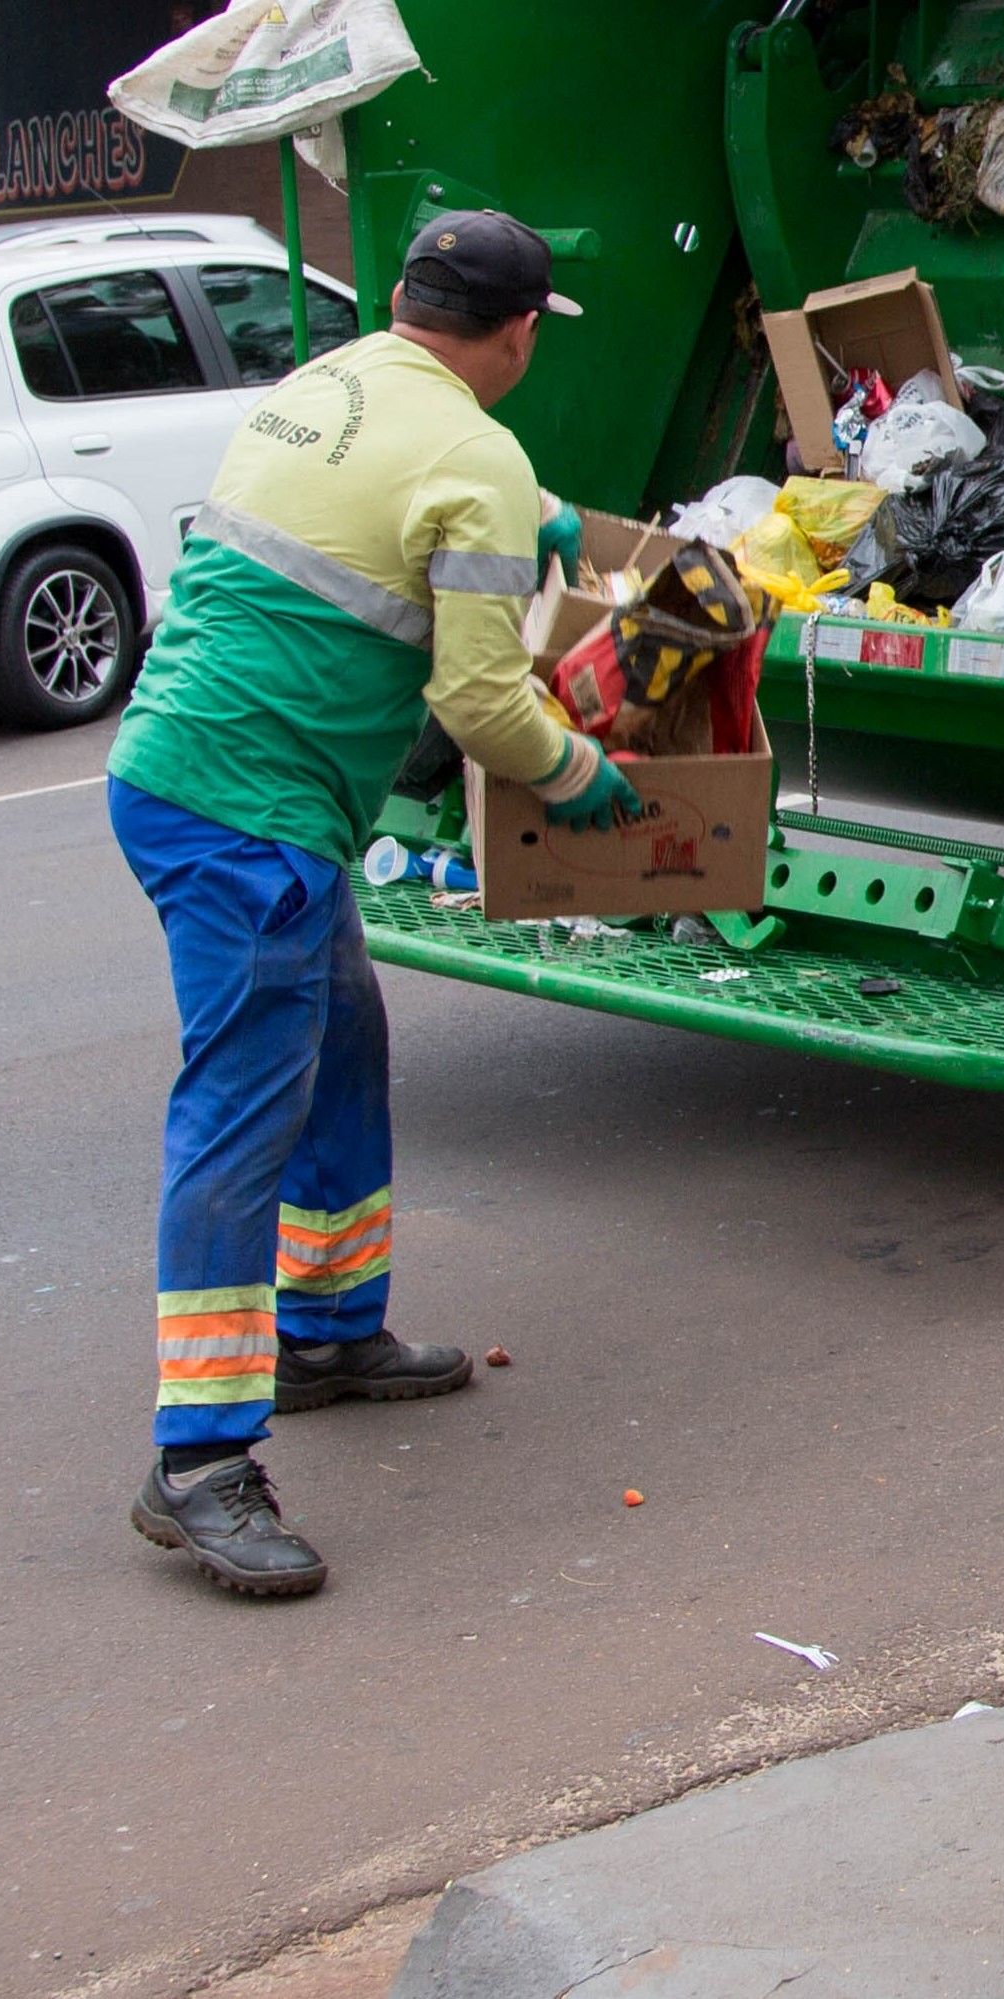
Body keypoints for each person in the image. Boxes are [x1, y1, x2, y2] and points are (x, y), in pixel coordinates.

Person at [103, 211, 638, 1599]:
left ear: (404, 301)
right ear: (518, 332)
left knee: (344, 1039)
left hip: (187, 771)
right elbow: (479, 701)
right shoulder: (480, 450)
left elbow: (380, 527)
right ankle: (201, 1458)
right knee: (237, 1113)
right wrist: (580, 776)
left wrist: (530, 536)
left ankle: (331, 1329)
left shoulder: (321, 385)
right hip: (249, 815)